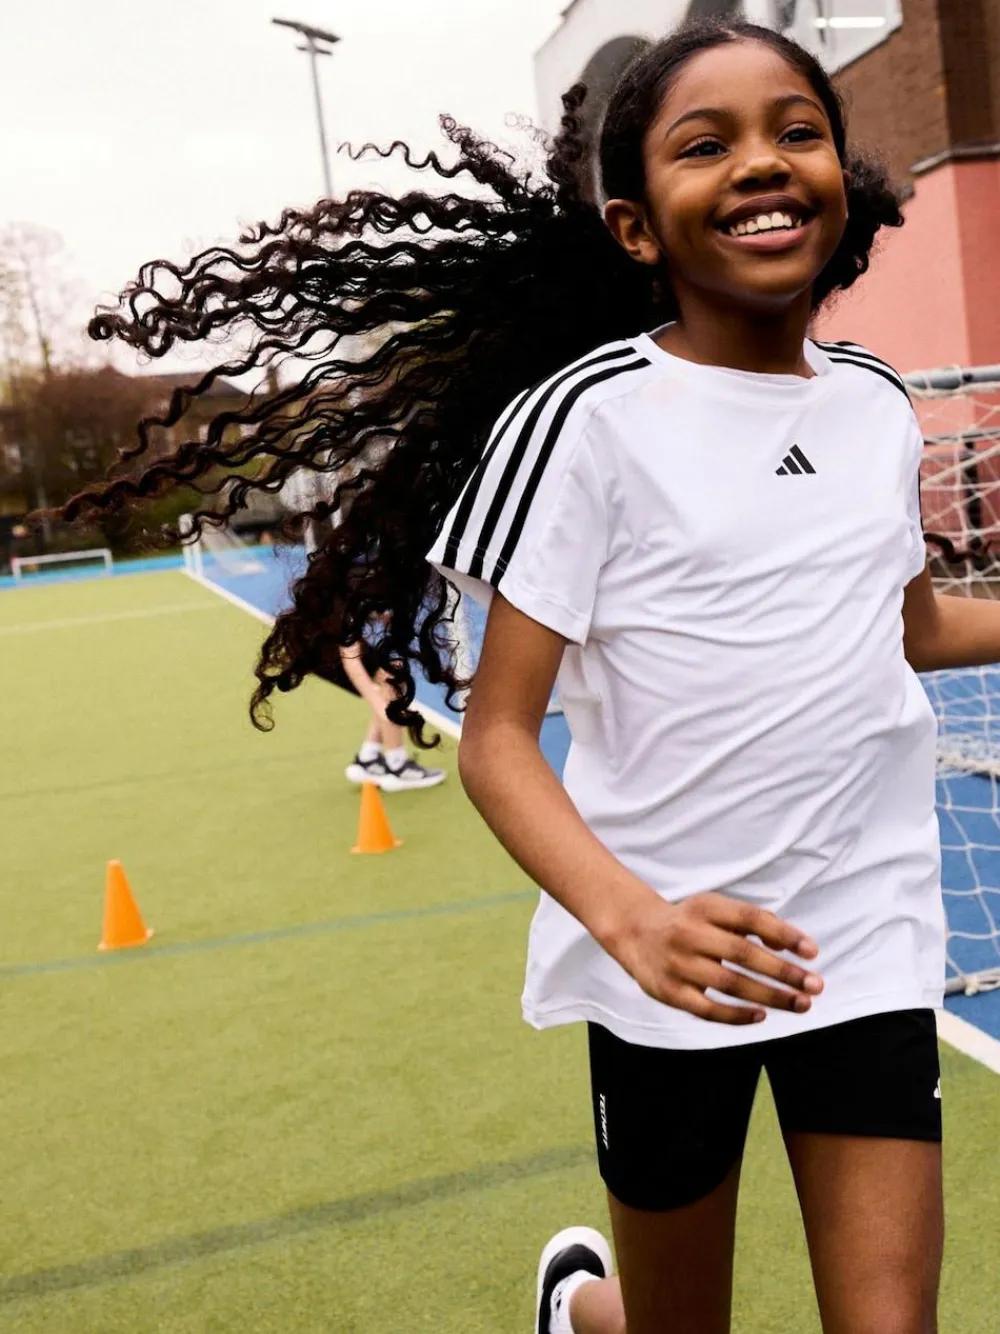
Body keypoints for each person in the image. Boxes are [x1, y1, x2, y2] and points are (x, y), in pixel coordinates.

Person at [57, 17, 1000, 1332]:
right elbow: (497, 735)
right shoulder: (581, 423)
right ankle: (587, 1310)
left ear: (846, 178)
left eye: (798, 131)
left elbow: (909, 629)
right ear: (634, 226)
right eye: (705, 143)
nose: (764, 164)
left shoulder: (876, 406)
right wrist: (632, 919)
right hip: (666, 958)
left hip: (871, 933)